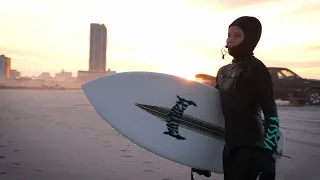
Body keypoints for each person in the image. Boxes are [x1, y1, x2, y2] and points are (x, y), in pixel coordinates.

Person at [192, 16, 280, 180]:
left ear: (250, 39)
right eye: (229, 34)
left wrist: (269, 156)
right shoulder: (223, 71)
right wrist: (201, 156)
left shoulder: (257, 69)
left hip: (252, 147)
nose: (230, 40)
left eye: (237, 35)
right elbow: (214, 113)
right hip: (229, 146)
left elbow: (271, 115)